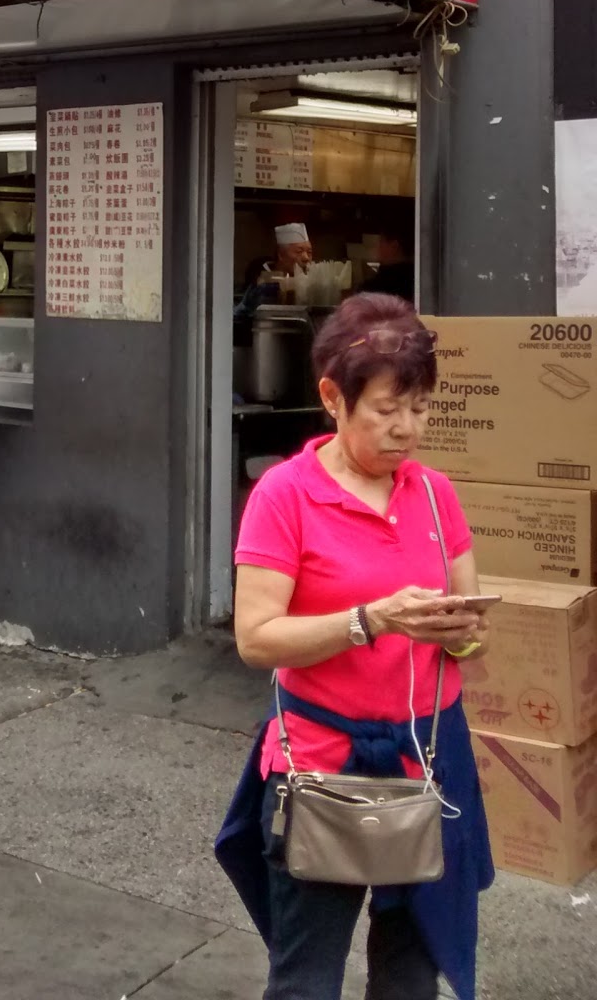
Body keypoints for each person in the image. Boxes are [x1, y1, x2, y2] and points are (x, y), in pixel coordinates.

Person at [215, 293, 494, 1000]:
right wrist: (371, 620)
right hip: (322, 765)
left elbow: (469, 636)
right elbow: (256, 638)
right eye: (385, 410)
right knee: (308, 973)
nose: (407, 429)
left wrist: (461, 636)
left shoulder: (436, 495)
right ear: (333, 397)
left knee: (412, 965)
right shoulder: (285, 495)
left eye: (421, 409)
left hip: (428, 759)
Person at [234, 224, 315, 331]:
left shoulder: (311, 285)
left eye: (309, 252)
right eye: (299, 252)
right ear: (281, 254)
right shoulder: (262, 284)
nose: (306, 258)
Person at [367, 226, 416, 303]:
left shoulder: (374, 287)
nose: (377, 247)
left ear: (394, 246)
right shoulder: (420, 279)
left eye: (381, 242)